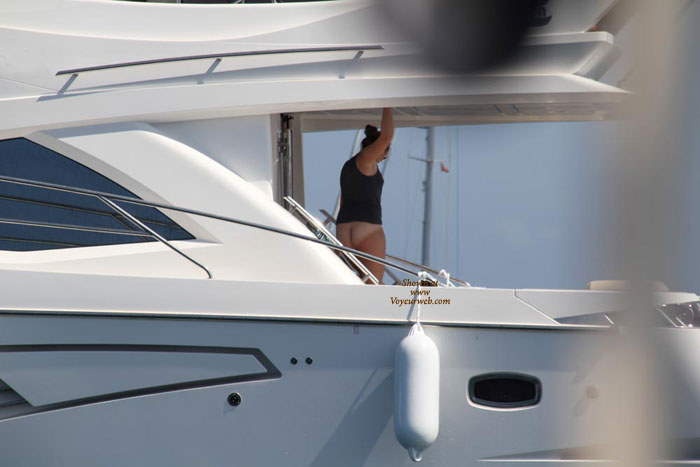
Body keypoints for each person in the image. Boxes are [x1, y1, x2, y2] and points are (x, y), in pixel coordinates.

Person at [336, 107, 394, 284]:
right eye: (385, 151)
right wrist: (388, 105)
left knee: (352, 283)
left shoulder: (349, 166)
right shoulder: (366, 161)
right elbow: (386, 137)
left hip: (344, 230)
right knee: (373, 285)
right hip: (368, 230)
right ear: (378, 148)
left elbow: (343, 199)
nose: (385, 156)